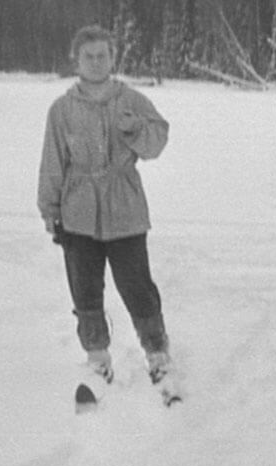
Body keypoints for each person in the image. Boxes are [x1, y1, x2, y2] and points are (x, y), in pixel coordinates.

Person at [37, 24, 174, 384]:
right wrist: (50, 210)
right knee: (85, 289)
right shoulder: (62, 109)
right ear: (76, 60)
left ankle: (158, 353)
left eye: (103, 55)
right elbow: (52, 163)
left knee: (136, 285)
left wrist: (136, 131)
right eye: (89, 56)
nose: (96, 62)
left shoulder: (131, 100)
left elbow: (157, 143)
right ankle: (97, 359)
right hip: (77, 213)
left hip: (125, 209)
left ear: (113, 58)